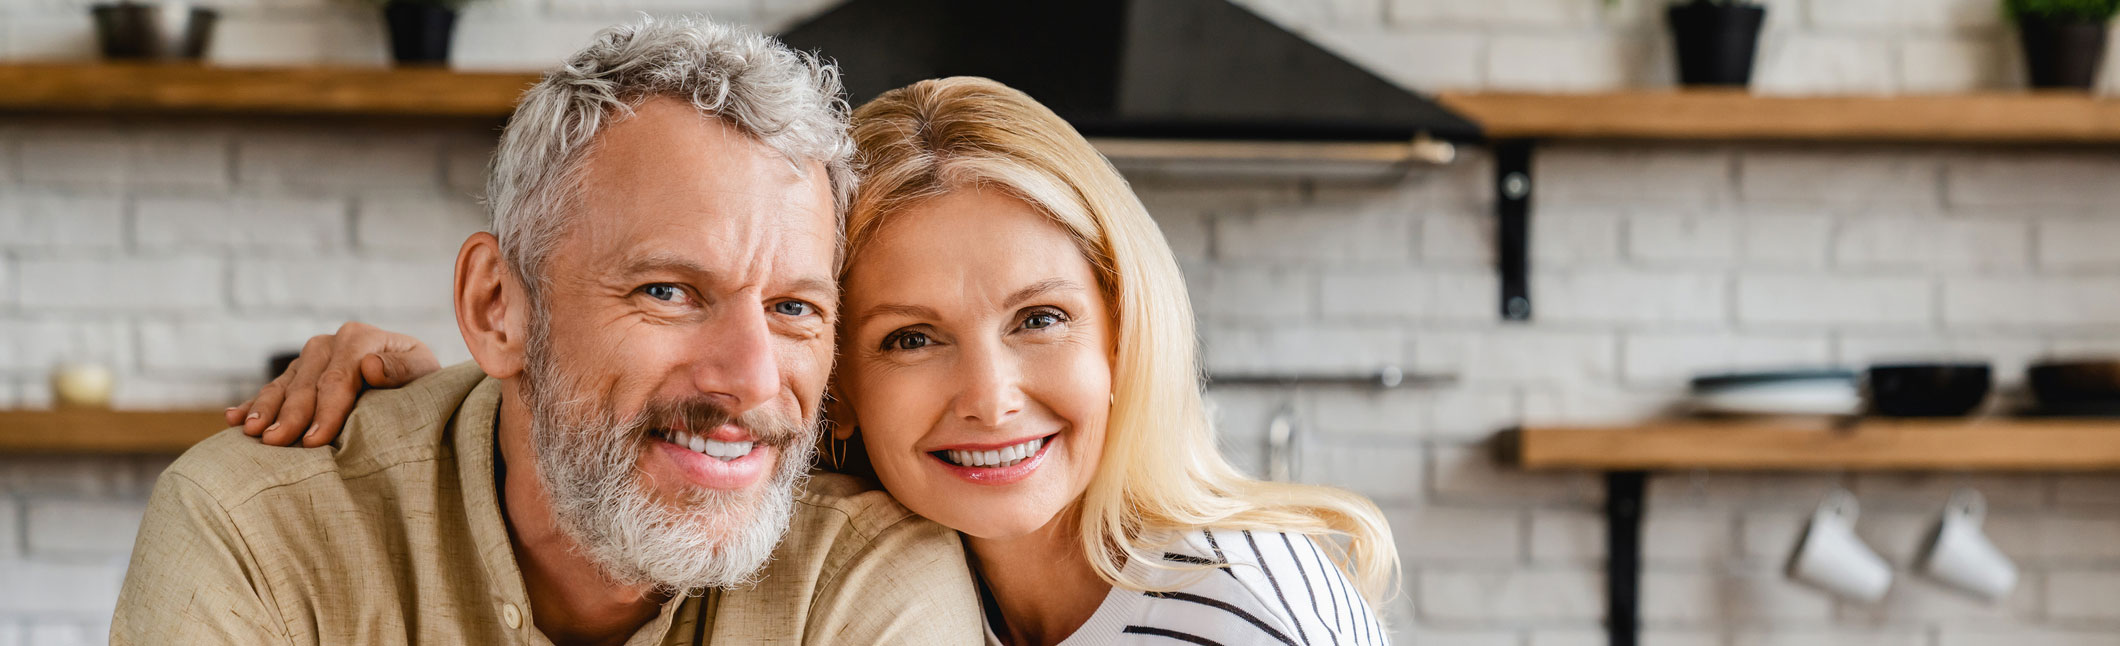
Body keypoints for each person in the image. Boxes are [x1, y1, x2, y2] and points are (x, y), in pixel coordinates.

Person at [236, 77, 1398, 645]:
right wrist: (420, 388)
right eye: (910, 338)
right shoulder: (888, 557)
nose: (988, 395)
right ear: (836, 377)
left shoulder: (1242, 607)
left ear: (1122, 326)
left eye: (1038, 318)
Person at [111, 17, 980, 645]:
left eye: (795, 309)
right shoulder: (260, 529)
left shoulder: (864, 573)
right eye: (669, 291)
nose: (753, 381)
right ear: (499, 307)